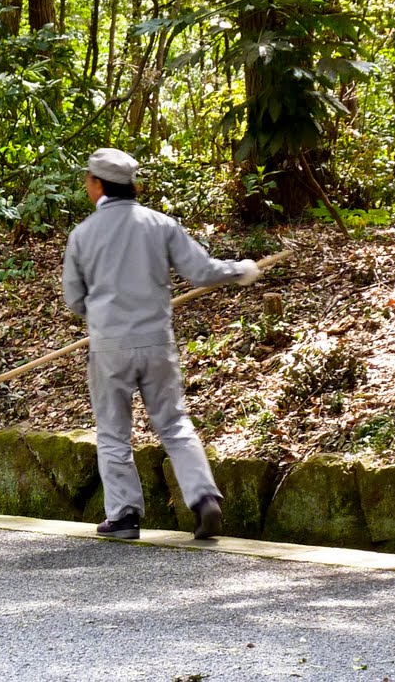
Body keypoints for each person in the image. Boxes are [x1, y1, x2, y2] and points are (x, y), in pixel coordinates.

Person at [62, 148, 262, 541]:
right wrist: (240, 270)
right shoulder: (161, 225)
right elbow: (201, 271)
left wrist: (103, 315)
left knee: (114, 430)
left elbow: (74, 298)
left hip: (110, 346)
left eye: (88, 179)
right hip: (157, 341)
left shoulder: (83, 235)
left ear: (98, 184)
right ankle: (204, 498)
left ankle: (123, 517)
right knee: (173, 423)